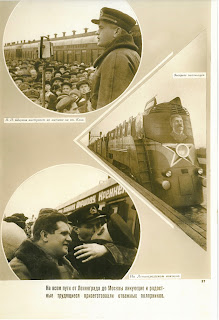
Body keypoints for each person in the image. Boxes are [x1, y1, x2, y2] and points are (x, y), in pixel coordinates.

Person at [67, 204, 137, 279]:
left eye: (98, 224)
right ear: (76, 230)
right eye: (89, 226)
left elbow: (134, 253)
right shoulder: (70, 247)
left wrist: (106, 249)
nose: (97, 229)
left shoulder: (104, 244)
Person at [90, 7, 140, 109]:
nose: (97, 32)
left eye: (101, 28)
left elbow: (107, 106)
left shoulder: (115, 57)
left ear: (116, 32)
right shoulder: (129, 53)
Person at [9, 212, 79, 280]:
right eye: (64, 233)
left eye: (69, 234)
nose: (70, 239)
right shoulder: (19, 268)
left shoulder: (65, 264)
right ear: (45, 235)